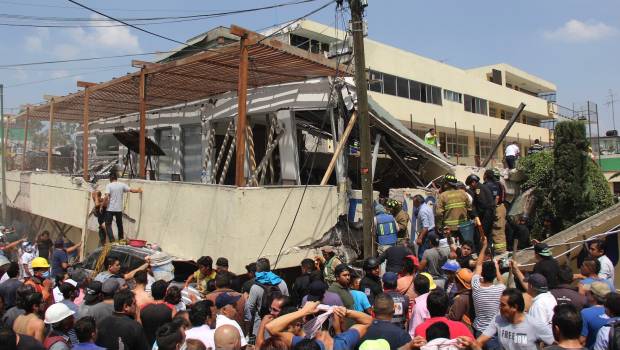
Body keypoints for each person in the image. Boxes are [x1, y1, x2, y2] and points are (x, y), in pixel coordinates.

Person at [266, 301, 372, 349]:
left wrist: (304, 311)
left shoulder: (301, 345)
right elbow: (368, 321)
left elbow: (271, 327)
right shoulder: (342, 343)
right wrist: (347, 312)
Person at [478, 288, 554, 350]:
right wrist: (472, 344)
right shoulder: (498, 319)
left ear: (514, 307)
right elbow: (480, 341)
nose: (499, 307)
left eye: (503, 305)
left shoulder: (535, 325)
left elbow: (557, 344)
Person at [471, 236, 505, 341]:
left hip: (479, 331)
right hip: (495, 331)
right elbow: (501, 281)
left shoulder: (476, 286)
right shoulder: (500, 289)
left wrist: (484, 246)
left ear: (482, 275)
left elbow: (479, 265)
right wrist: (497, 268)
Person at [244, 257, 288, 337]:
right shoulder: (282, 282)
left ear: (257, 269)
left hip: (261, 326)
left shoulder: (255, 287)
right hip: (280, 323)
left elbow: (249, 308)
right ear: (269, 267)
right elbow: (287, 302)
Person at [103, 171, 143, 242]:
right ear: (116, 178)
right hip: (118, 209)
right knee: (119, 225)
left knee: (108, 224)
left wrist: (102, 205)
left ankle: (112, 240)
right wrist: (138, 190)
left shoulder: (109, 185)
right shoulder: (122, 185)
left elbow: (106, 196)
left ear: (110, 179)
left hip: (110, 209)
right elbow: (131, 190)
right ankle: (121, 239)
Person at [437, 174, 471, 240]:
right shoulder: (463, 193)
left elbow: (439, 214)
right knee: (463, 246)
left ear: (446, 184)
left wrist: (439, 226)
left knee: (451, 247)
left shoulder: (442, 196)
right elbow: (469, 209)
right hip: (463, 227)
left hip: (449, 229)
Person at [141, 280, 175, 346]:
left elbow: (140, 327)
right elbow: (174, 327)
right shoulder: (171, 308)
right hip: (165, 344)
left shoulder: (142, 308)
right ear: (165, 293)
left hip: (148, 343)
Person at [465, 174, 494, 251]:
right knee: (488, 234)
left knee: (481, 234)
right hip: (490, 213)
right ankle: (490, 250)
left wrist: (476, 215)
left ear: (473, 182)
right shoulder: (483, 187)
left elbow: (482, 204)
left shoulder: (478, 189)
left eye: (470, 185)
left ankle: (483, 251)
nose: (470, 187)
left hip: (486, 215)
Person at [580, 281, 612, 348]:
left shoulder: (585, 313)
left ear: (593, 296)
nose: (586, 294)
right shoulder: (614, 312)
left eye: (588, 293)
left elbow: (582, 340)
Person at [414, 195, 436, 260]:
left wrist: (420, 238)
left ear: (418, 202)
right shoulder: (427, 207)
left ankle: (423, 269)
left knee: (422, 255)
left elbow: (425, 227)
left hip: (427, 234)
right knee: (429, 254)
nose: (413, 204)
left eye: (414, 202)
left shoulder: (422, 211)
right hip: (431, 232)